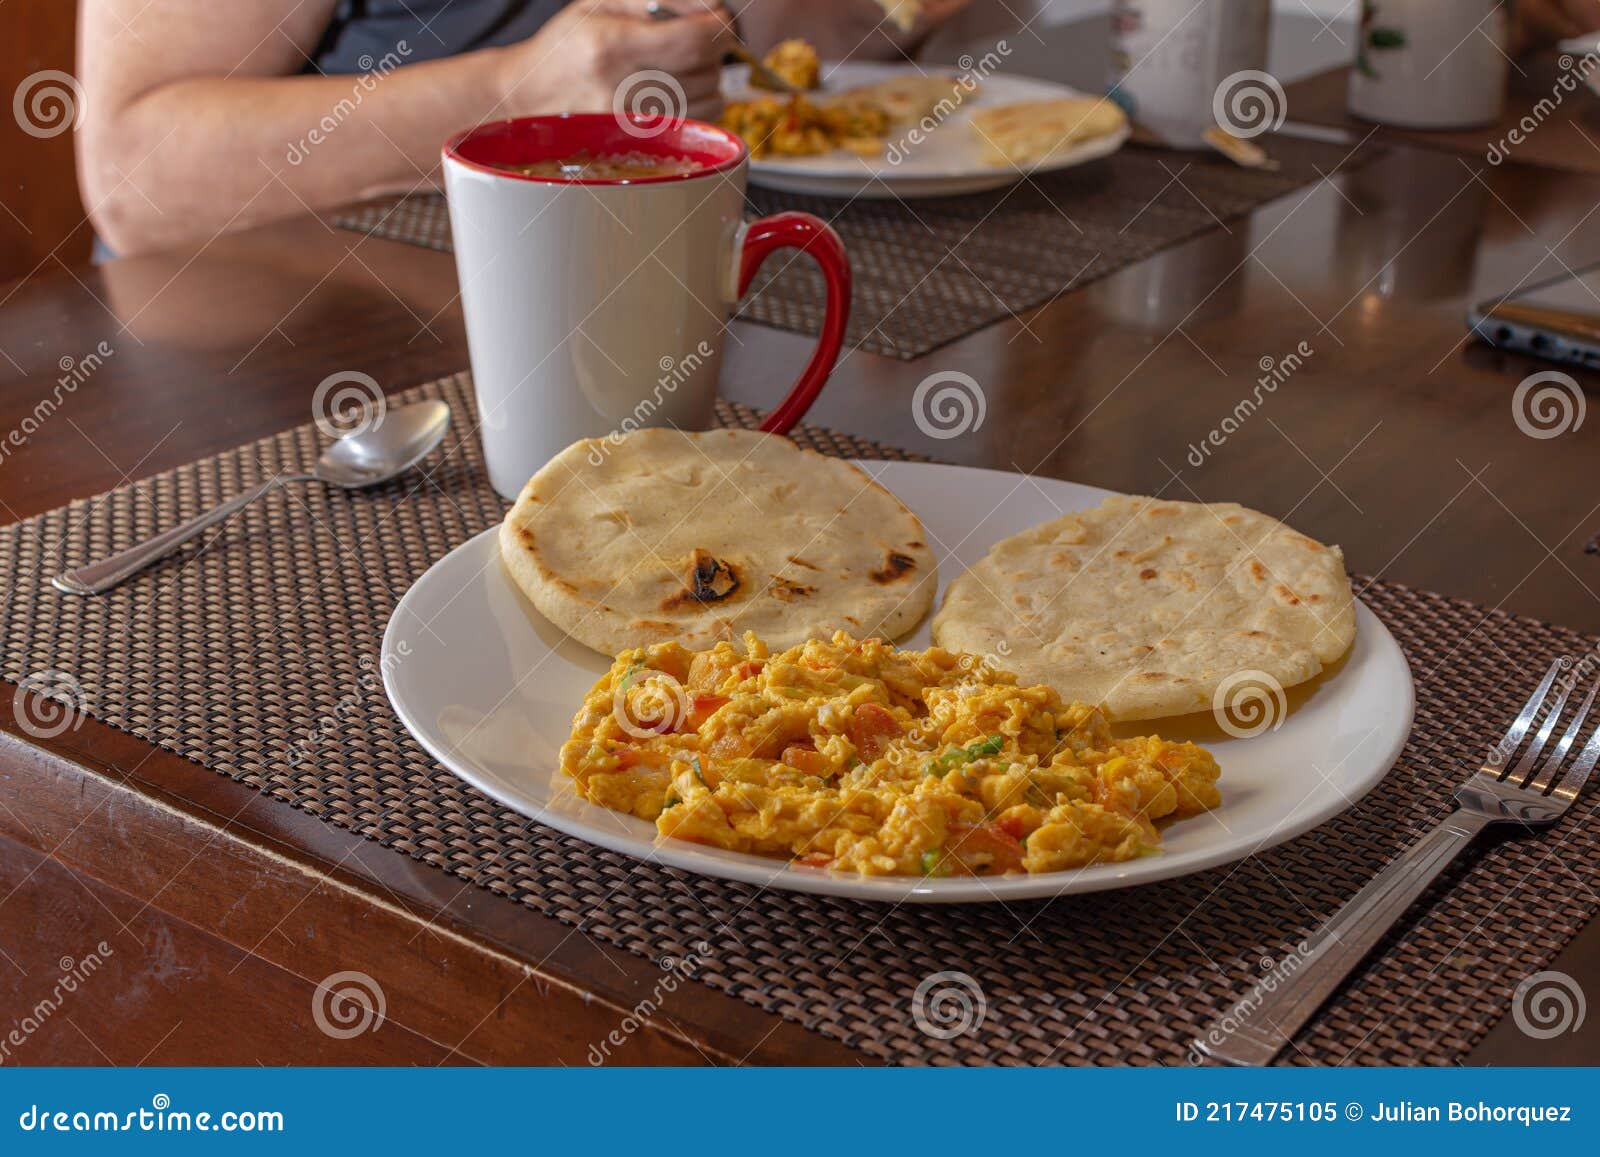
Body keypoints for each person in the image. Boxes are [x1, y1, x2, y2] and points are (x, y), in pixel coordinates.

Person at [77, 0, 970, 257]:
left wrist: (899, 19)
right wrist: (517, 99)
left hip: (648, 294)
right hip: (293, 374)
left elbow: (781, 44)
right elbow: (134, 176)